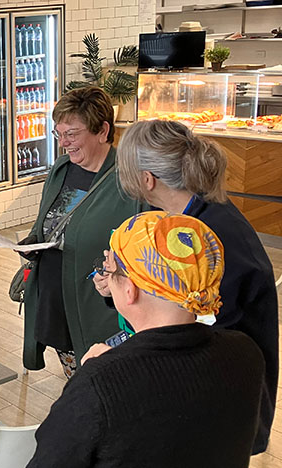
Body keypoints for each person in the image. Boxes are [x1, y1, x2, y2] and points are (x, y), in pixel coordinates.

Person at [94, 119, 278, 454]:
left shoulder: (215, 239)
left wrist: (123, 364)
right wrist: (118, 284)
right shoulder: (176, 220)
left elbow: (201, 335)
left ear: (146, 179)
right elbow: (165, 297)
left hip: (221, 395)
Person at [28, 212, 265, 468]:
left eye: (107, 269)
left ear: (130, 290)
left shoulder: (99, 386)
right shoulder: (246, 352)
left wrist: (98, 375)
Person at [20, 86, 143, 378]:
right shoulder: (62, 169)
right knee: (75, 378)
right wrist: (32, 242)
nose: (63, 143)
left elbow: (140, 250)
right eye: (58, 133)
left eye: (72, 134)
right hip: (56, 301)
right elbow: (46, 224)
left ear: (102, 130)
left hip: (96, 311)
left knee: (100, 385)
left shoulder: (129, 181)